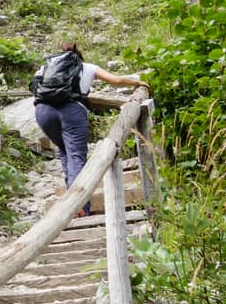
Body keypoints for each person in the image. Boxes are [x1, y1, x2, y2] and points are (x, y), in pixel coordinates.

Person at [31, 43, 149, 210]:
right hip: (71, 111)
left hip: (43, 111)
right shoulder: (86, 67)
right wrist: (137, 82)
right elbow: (116, 81)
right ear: (78, 56)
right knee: (76, 156)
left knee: (65, 151)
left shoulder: (46, 67)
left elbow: (34, 90)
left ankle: (68, 202)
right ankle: (79, 208)